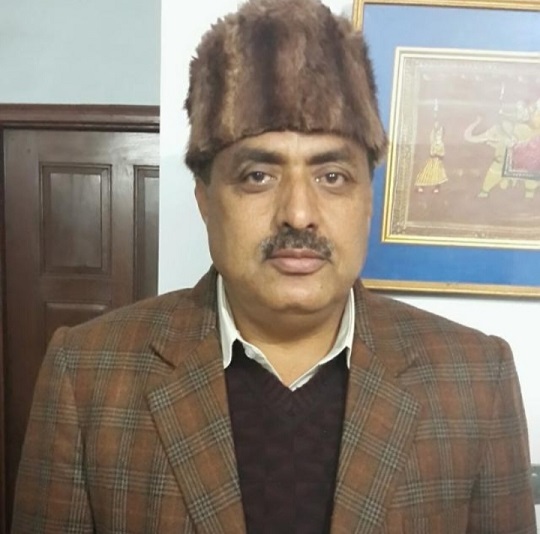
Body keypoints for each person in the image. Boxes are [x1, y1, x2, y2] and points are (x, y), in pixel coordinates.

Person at [12, 0, 536, 532]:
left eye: (332, 176)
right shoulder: (88, 373)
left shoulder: (475, 378)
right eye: (258, 176)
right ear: (205, 200)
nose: (299, 213)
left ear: (368, 200)